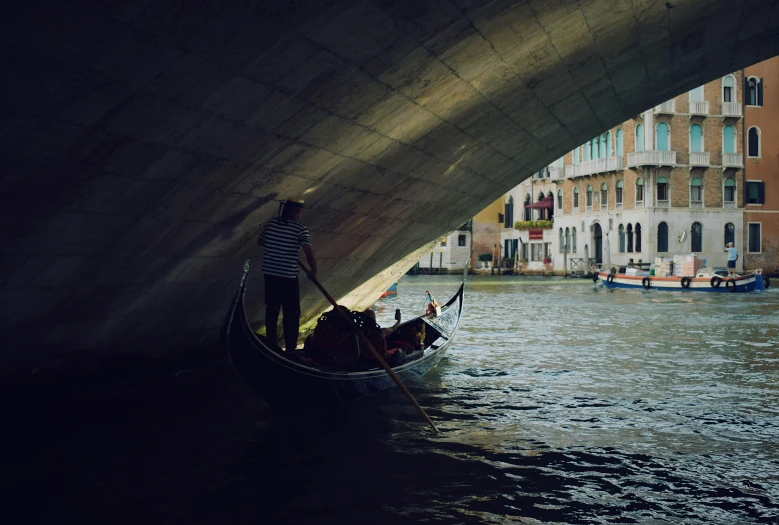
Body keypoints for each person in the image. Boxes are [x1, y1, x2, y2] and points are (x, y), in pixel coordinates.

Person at [257, 198, 317, 352]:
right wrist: (313, 271)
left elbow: (261, 241)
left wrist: (276, 245)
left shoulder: (270, 224)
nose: (300, 214)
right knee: (291, 313)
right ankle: (290, 348)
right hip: (287, 277)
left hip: (270, 275)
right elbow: (308, 252)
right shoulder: (300, 229)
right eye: (300, 211)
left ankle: (270, 344)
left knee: (272, 310)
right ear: (296, 211)